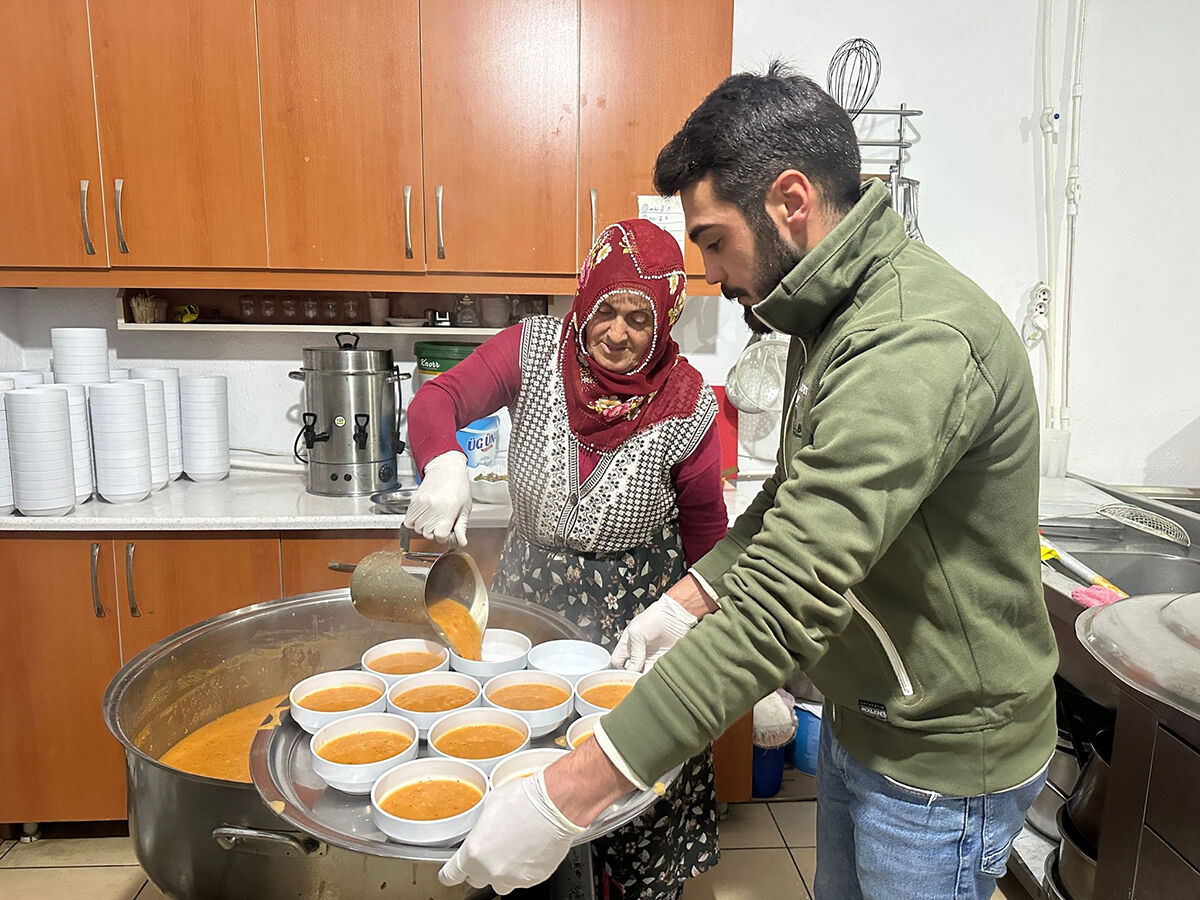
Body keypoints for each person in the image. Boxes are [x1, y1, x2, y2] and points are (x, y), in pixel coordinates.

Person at [439, 62, 1059, 900]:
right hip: (869, 720)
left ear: (790, 202)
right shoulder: (830, 318)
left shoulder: (912, 339)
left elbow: (790, 591)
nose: (715, 275)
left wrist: (567, 796)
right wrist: (691, 596)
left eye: (714, 242)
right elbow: (787, 500)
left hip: (938, 763)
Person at [404, 218, 727, 899]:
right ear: (584, 297)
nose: (616, 331)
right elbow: (440, 397)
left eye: (638, 317)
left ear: (666, 320)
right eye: (605, 307)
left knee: (632, 793)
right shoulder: (532, 350)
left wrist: (720, 632)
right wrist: (443, 462)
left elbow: (707, 531)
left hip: (643, 620)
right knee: (531, 776)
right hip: (532, 608)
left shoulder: (688, 402)